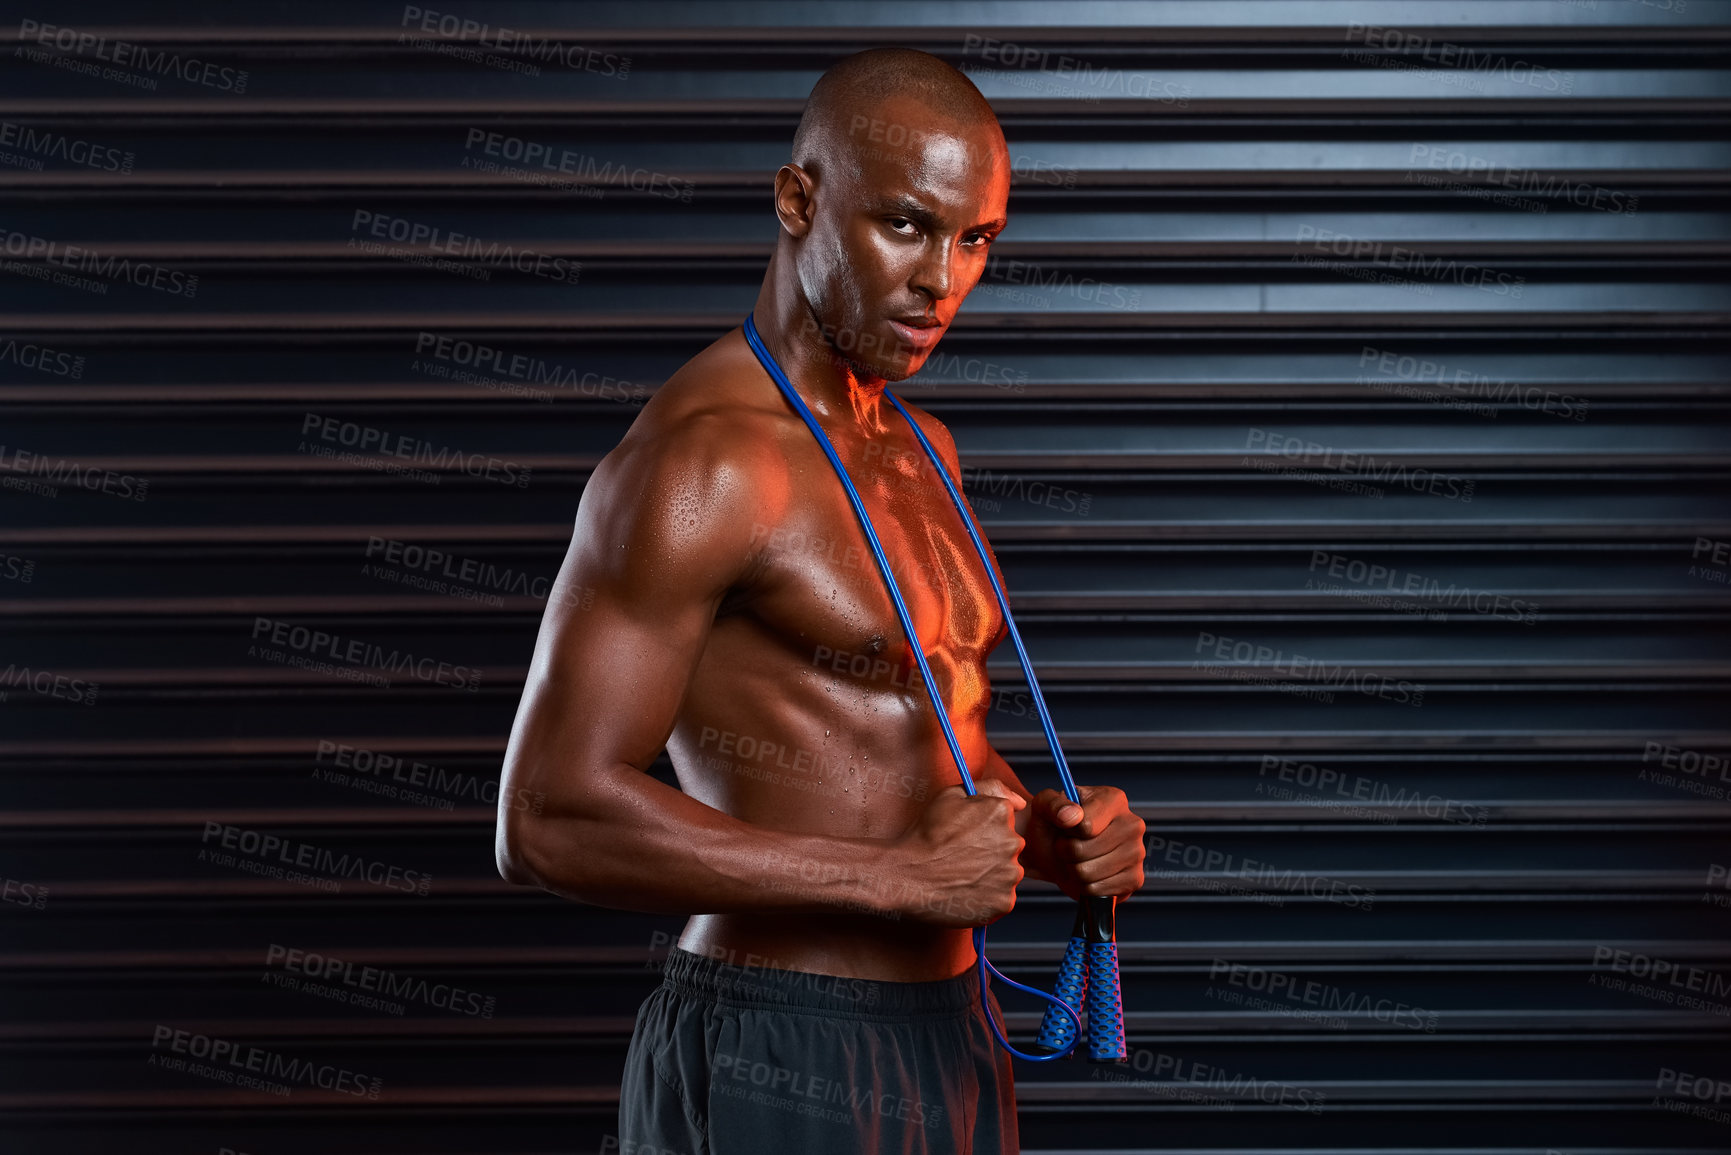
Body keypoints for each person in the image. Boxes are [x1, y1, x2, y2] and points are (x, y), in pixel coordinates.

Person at [496, 46, 1146, 1155]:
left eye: (976, 240)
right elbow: (546, 816)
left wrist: (1046, 835)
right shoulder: (707, 465)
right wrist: (894, 880)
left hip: (954, 1028)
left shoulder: (919, 443)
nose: (942, 280)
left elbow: (913, 730)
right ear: (799, 198)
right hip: (781, 1039)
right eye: (905, 225)